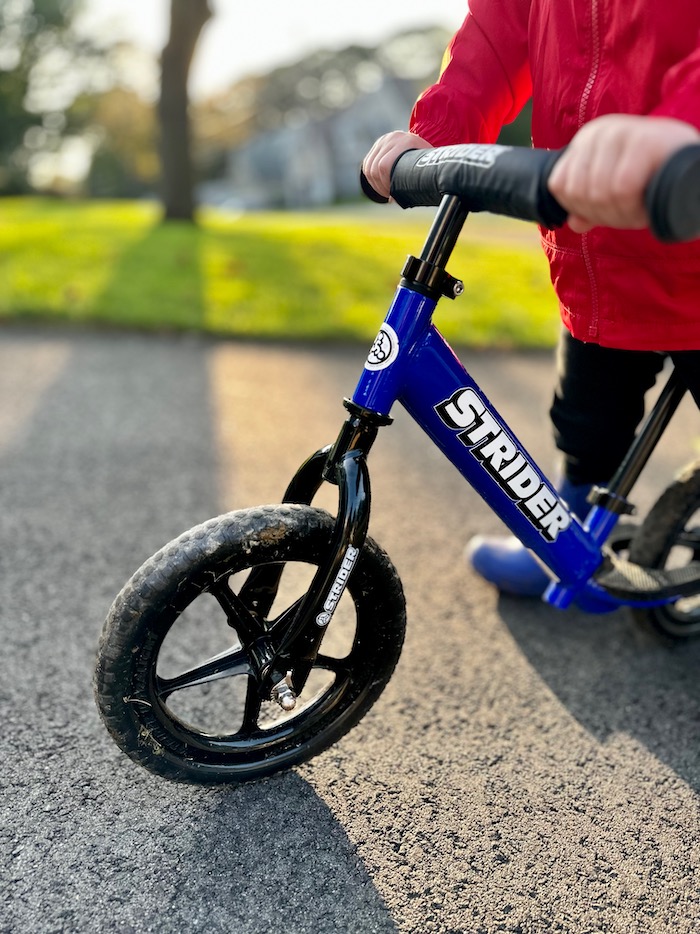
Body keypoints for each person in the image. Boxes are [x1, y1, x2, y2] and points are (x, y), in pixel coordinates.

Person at [362, 0, 700, 596]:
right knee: (586, 421)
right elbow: (498, 31)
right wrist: (435, 133)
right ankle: (565, 536)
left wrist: (684, 124)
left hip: (680, 199)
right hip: (599, 253)